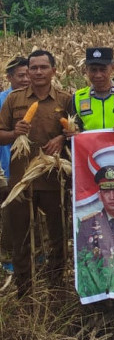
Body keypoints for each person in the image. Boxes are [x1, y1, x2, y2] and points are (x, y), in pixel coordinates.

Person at [0, 49, 72, 298]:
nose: (38, 72)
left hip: (55, 181)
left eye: (43, 67)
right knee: (21, 238)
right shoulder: (14, 100)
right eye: (33, 68)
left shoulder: (65, 100)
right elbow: (1, 135)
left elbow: (76, 135)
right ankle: (25, 292)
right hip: (21, 181)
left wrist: (63, 138)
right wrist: (14, 133)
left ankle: (56, 287)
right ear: (27, 71)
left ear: (54, 70)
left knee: (58, 237)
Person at [0, 56, 31, 273]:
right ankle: (9, 260)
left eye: (29, 74)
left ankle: (35, 256)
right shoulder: (3, 100)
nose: (27, 79)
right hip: (6, 169)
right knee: (10, 217)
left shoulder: (35, 98)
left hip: (33, 167)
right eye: (21, 76)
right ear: (9, 77)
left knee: (33, 216)